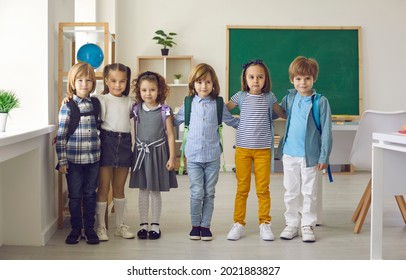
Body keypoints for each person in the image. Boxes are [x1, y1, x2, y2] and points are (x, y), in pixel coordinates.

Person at [173, 63, 239, 241]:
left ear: (214, 84)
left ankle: (205, 226)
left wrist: (251, 125)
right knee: (196, 192)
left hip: (212, 157)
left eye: (208, 82)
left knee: (209, 192)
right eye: (199, 82)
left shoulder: (218, 104)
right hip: (193, 157)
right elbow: (173, 122)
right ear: (193, 84)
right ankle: (195, 226)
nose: (204, 86)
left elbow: (232, 122)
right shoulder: (188, 104)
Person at [226, 59, 286, 241]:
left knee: (263, 189)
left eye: (260, 77)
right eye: (251, 77)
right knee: (242, 188)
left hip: (263, 150)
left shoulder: (270, 97)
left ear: (265, 79)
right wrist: (236, 123)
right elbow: (222, 110)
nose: (255, 81)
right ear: (245, 78)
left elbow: (282, 113)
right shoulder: (240, 96)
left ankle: (264, 223)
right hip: (243, 150)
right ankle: (238, 223)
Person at [278, 56, 332, 242]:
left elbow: (326, 131)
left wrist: (324, 156)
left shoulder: (320, 101)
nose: (303, 82)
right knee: (290, 191)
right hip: (289, 153)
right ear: (292, 79)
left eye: (307, 78)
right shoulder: (289, 97)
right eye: (298, 78)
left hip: (310, 156)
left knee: (309, 191)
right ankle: (291, 224)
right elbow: (279, 113)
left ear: (314, 79)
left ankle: (307, 225)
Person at [55, 62, 101, 245]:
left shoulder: (96, 103)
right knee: (75, 196)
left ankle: (89, 228)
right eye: (80, 80)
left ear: (93, 83)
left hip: (93, 159)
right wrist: (63, 161)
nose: (84, 84)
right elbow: (61, 135)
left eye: (88, 80)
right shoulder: (68, 105)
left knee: (90, 194)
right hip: (73, 160)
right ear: (73, 82)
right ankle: (75, 228)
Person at [129, 71, 178, 240]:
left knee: (155, 190)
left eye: (152, 90)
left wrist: (172, 158)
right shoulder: (136, 109)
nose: (148, 93)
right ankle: (143, 224)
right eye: (144, 90)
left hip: (158, 154)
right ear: (139, 91)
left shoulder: (165, 111)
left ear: (159, 90)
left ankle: (155, 225)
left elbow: (170, 135)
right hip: (141, 154)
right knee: (143, 190)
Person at [94, 63, 135, 241]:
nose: (118, 85)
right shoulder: (100, 100)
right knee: (103, 186)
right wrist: (67, 98)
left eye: (122, 81)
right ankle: (101, 227)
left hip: (125, 144)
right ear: (106, 80)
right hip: (106, 143)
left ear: (127, 82)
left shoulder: (131, 102)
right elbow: (80, 100)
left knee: (119, 187)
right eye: (113, 81)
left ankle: (119, 226)